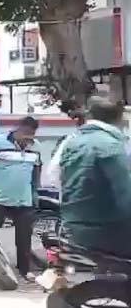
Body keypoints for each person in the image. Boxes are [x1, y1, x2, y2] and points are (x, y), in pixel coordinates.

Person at [60, 98, 131, 257]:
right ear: (119, 118)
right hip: (106, 231)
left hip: (73, 226)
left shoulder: (72, 142)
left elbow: (56, 177)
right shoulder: (110, 145)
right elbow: (124, 196)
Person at [0, 116, 41, 282]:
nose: (28, 138)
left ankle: (24, 270)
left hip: (24, 199)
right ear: (18, 129)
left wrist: (35, 190)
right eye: (26, 133)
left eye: (32, 134)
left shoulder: (36, 147)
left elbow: (37, 168)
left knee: (24, 236)